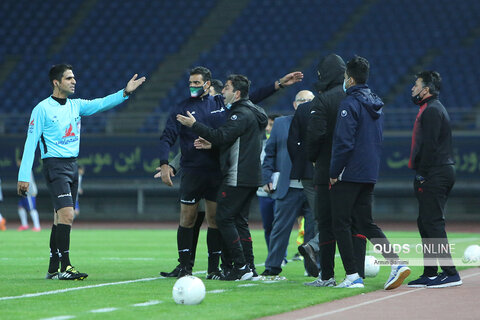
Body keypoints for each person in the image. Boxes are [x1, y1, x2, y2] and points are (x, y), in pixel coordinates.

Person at [156, 66, 303, 279]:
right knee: (187, 219)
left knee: (217, 220)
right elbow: (167, 137)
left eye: (197, 83)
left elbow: (250, 97)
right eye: (191, 82)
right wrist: (164, 164)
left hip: (217, 172)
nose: (193, 86)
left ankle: (214, 268)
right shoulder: (182, 107)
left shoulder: (220, 104)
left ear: (207, 84)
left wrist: (278, 84)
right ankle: (184, 266)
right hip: (192, 171)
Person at [17, 63, 145, 280]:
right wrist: (23, 177)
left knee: (60, 218)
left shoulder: (76, 106)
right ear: (56, 83)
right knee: (67, 214)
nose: (74, 81)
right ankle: (66, 267)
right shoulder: (41, 109)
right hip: (55, 166)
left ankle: (53, 267)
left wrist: (124, 93)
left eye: (74, 77)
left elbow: (101, 103)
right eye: (69, 78)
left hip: (72, 166)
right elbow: (30, 143)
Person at [177, 74, 267, 281]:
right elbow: (233, 141)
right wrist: (215, 144)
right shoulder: (252, 111)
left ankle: (241, 266)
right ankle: (250, 268)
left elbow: (221, 135)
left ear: (236, 93)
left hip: (237, 175)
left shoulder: (239, 114)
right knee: (240, 221)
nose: (223, 91)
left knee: (223, 218)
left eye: (226, 88)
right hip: (251, 176)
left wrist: (194, 125)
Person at [329, 56, 410, 289]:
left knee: (340, 223)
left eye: (345, 78)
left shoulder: (349, 104)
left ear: (351, 79)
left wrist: (334, 171)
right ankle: (396, 263)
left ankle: (352, 275)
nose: (344, 82)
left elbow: (344, 143)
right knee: (365, 222)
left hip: (349, 172)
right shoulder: (376, 103)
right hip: (369, 172)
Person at [407, 71, 462, 288]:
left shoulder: (431, 111)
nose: (412, 88)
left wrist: (422, 174)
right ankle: (430, 272)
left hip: (435, 172)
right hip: (439, 170)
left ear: (426, 89)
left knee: (432, 221)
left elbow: (429, 146)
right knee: (425, 222)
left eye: (416, 84)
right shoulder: (432, 108)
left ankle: (450, 272)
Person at [260, 90, 316, 277]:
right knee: (280, 229)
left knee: (313, 230)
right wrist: (266, 177)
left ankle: (313, 268)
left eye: (310, 101)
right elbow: (270, 153)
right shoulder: (281, 124)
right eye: (302, 100)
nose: (306, 104)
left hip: (313, 186)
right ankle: (272, 266)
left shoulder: (321, 123)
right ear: (294, 104)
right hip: (288, 185)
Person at [257, 113, 281, 250]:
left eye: (271, 125)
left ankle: (280, 255)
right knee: (267, 226)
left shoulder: (285, 146)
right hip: (263, 192)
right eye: (267, 125)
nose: (267, 128)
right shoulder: (260, 145)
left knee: (280, 226)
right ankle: (272, 253)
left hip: (281, 192)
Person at [17, 165, 41, 232]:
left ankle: (37, 226)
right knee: (20, 207)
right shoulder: (22, 169)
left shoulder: (26, 168)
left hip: (29, 192)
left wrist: (27, 191)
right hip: (23, 192)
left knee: (32, 209)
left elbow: (28, 182)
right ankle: (24, 225)